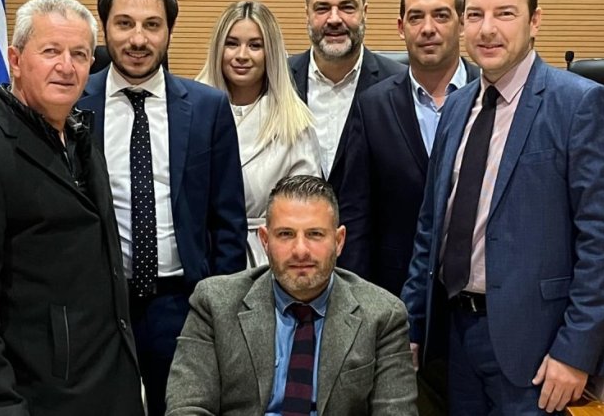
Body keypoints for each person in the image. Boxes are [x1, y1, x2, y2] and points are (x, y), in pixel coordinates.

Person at [401, 0, 604, 415]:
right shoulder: (456, 107)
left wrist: (575, 350)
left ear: (534, 21)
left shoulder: (579, 104)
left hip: (537, 350)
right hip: (454, 339)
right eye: (475, 15)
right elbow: (431, 228)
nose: (487, 29)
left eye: (505, 13)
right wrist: (412, 323)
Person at [0, 0, 144, 416]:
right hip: (40, 399)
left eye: (79, 54)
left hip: (109, 385)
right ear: (15, 60)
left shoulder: (80, 137)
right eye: (50, 51)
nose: (66, 66)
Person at [76, 0, 247, 416]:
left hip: (182, 300)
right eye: (124, 24)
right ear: (105, 28)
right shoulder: (74, 105)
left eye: (152, 25)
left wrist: (219, 304)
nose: (138, 39)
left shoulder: (208, 107)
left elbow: (228, 220)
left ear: (169, 30)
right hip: (101, 301)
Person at [166, 175, 418, 415]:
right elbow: (188, 407)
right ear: (265, 240)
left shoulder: (383, 315)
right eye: (285, 234)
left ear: (339, 241)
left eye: (315, 234)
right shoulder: (215, 304)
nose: (300, 250)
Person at [339, 0, 480, 296]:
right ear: (401, 27)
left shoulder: (491, 96)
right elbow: (357, 217)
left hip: (477, 296)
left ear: (461, 23)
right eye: (416, 17)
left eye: (441, 16)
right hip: (395, 292)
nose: (428, 28)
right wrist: (357, 301)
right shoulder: (372, 106)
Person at [197, 1, 321, 268]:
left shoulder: (295, 122)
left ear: (271, 53)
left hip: (267, 259)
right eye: (232, 44)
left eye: (255, 45)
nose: (242, 55)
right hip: (199, 253)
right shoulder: (192, 109)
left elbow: (305, 209)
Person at [288, 0, 406, 195]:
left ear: (364, 13)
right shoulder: (279, 79)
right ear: (307, 14)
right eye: (322, 8)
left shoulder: (399, 84)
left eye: (347, 7)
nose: (334, 19)